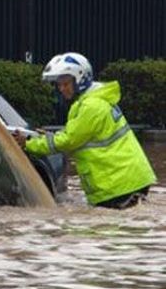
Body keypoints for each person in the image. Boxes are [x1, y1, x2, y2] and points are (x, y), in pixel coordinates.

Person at [13, 52, 156, 209]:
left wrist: (28, 143)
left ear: (80, 80)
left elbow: (69, 141)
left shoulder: (91, 106)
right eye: (59, 84)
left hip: (119, 184)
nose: (61, 89)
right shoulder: (92, 101)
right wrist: (48, 137)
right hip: (125, 181)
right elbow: (76, 136)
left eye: (66, 83)